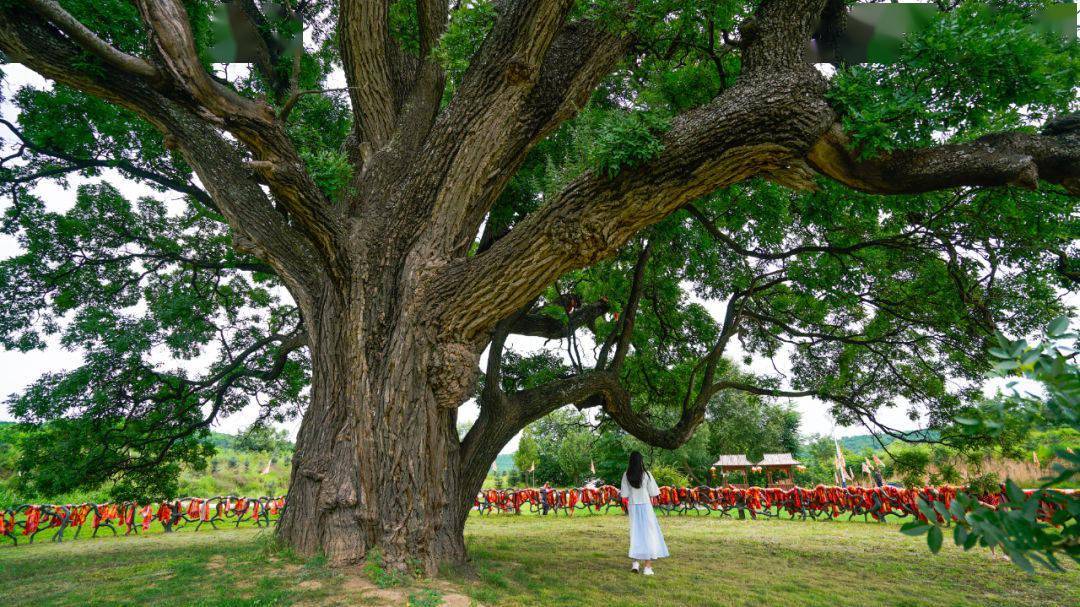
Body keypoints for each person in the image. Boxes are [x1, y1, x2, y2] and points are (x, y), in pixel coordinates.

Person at [620, 451, 668, 575]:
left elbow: (624, 494)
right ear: (641, 461)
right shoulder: (647, 474)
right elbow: (653, 492)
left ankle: (635, 563)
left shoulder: (626, 475)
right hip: (646, 506)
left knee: (635, 533)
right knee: (648, 534)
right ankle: (647, 567)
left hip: (633, 506)